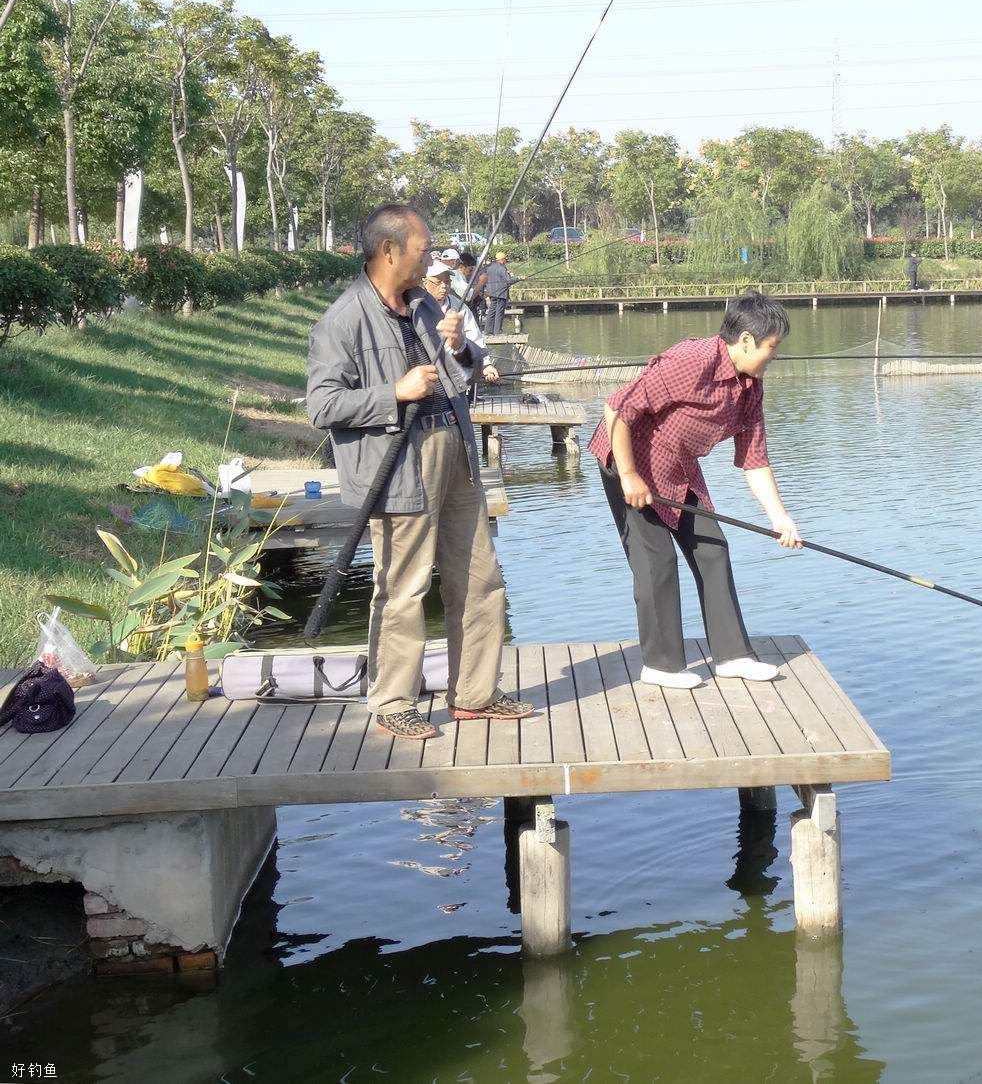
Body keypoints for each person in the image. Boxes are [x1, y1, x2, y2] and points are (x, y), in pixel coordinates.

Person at [306, 204, 535, 740]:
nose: (431, 257)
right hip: (398, 464)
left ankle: (475, 695)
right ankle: (392, 703)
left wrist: (458, 346)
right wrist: (394, 393)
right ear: (390, 251)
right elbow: (321, 405)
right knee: (403, 588)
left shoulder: (425, 307)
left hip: (455, 451)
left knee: (480, 578)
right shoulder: (342, 321)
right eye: (423, 248)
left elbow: (461, 367)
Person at [587, 291, 802, 689]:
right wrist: (630, 475)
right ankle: (661, 665)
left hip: (679, 466)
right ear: (747, 341)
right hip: (628, 458)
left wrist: (779, 518)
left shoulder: (750, 387)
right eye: (772, 347)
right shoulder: (693, 361)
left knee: (712, 548)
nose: (775, 355)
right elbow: (617, 409)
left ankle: (733, 656)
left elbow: (754, 459)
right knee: (657, 561)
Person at [421, 256, 500, 387]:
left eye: (447, 282)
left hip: (457, 376)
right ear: (425, 283)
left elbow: (473, 336)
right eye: (438, 282)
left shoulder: (459, 306)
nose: (444, 287)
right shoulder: (416, 306)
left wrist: (487, 364)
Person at [481, 250, 514, 335]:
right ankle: (497, 331)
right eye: (505, 259)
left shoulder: (489, 267)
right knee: (499, 312)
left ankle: (488, 331)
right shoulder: (501, 268)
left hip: (492, 293)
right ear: (502, 259)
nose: (506, 261)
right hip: (501, 293)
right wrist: (519, 278)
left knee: (491, 311)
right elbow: (509, 280)